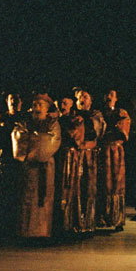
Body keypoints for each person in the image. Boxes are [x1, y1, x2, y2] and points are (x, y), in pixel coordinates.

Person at [12, 94, 61, 238]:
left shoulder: (52, 123)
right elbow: (18, 135)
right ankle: (26, 232)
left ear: (47, 109)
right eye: (35, 105)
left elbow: (51, 141)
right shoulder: (25, 122)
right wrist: (37, 139)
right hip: (28, 166)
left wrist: (32, 140)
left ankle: (42, 232)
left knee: (44, 198)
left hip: (45, 166)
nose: (37, 108)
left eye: (41, 105)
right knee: (27, 197)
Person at [56, 88, 103, 234]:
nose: (81, 99)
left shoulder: (95, 116)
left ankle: (87, 223)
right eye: (79, 97)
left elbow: (96, 132)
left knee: (88, 188)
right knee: (73, 188)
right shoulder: (71, 117)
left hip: (89, 156)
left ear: (90, 100)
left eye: (85, 96)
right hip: (74, 157)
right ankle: (72, 223)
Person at [0, 91, 25, 239]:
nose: (14, 102)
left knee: (19, 195)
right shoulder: (0, 118)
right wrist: (0, 127)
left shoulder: (24, 118)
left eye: (17, 99)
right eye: (12, 99)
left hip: (20, 163)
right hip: (4, 161)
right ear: (7, 101)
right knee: (3, 194)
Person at [97, 89, 131, 231]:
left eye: (112, 95)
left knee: (116, 183)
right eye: (107, 94)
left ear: (116, 98)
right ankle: (101, 217)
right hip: (101, 152)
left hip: (115, 151)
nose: (109, 97)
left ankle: (116, 218)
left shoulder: (121, 113)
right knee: (102, 183)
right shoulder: (98, 113)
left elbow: (123, 130)